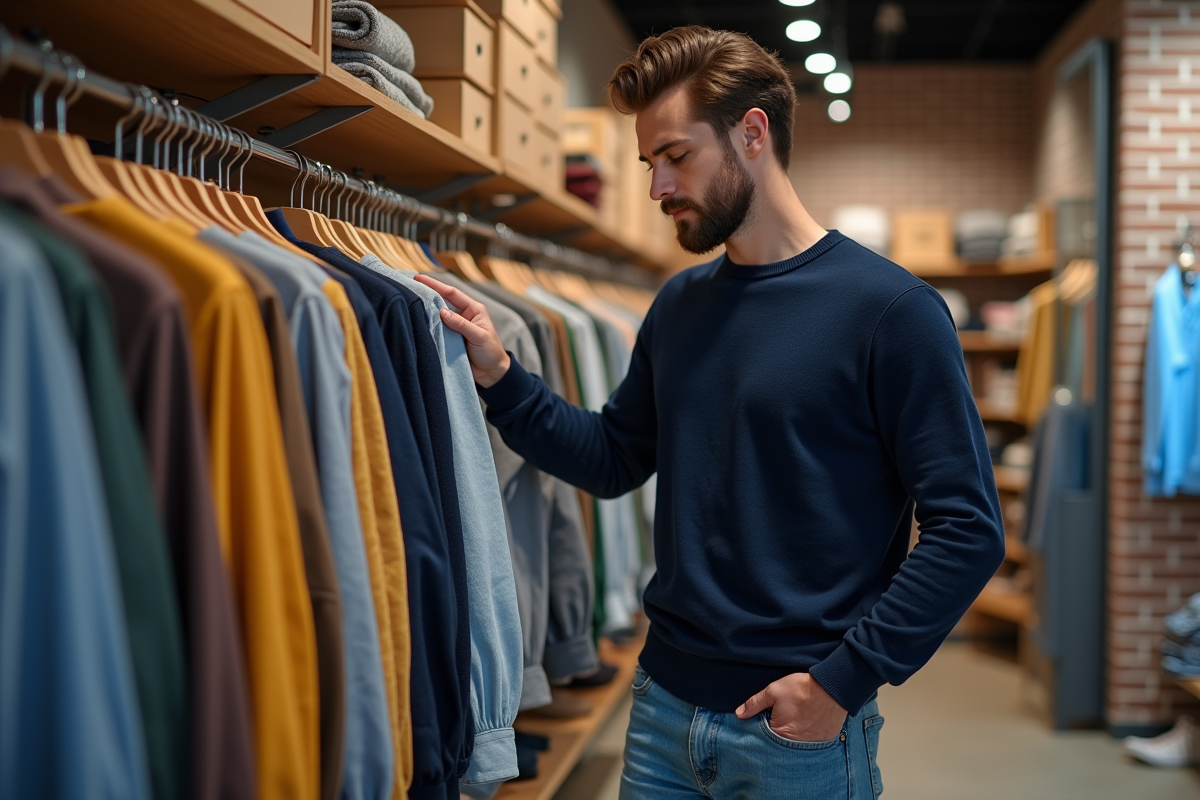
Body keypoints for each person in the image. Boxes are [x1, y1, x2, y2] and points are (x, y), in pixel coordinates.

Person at [415, 25, 1005, 800]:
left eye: (676, 156)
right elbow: (614, 456)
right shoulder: (681, 305)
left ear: (751, 133)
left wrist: (842, 682)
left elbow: (968, 529)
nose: (658, 187)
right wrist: (501, 374)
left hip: (797, 733)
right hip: (662, 712)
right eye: (649, 163)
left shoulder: (891, 311)